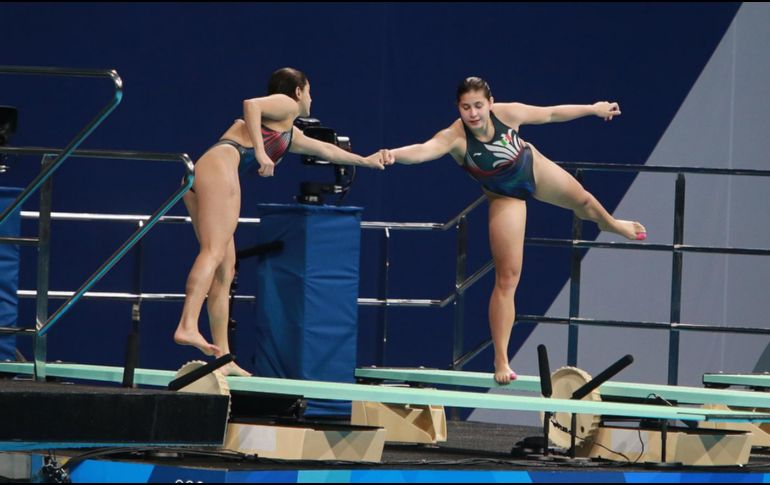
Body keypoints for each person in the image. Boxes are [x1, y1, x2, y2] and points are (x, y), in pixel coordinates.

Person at [386, 77, 646, 384]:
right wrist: (394, 154)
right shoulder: (454, 137)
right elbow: (422, 150)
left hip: (532, 166)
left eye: (479, 106)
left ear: (490, 103)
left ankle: (611, 223)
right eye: (466, 107)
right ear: (458, 107)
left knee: (585, 202)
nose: (473, 114)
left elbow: (551, 114)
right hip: (504, 195)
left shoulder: (507, 114)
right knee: (507, 278)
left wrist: (593, 109)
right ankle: (501, 358)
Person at [174, 67, 389, 376]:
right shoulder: (286, 104)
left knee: (225, 269)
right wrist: (261, 155)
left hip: (204, 171)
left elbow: (327, 150)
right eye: (310, 91)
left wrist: (365, 161)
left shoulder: (289, 133)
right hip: (221, 164)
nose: (312, 98)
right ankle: (187, 325)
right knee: (214, 251)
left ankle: (223, 359)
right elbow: (251, 104)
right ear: (298, 92)